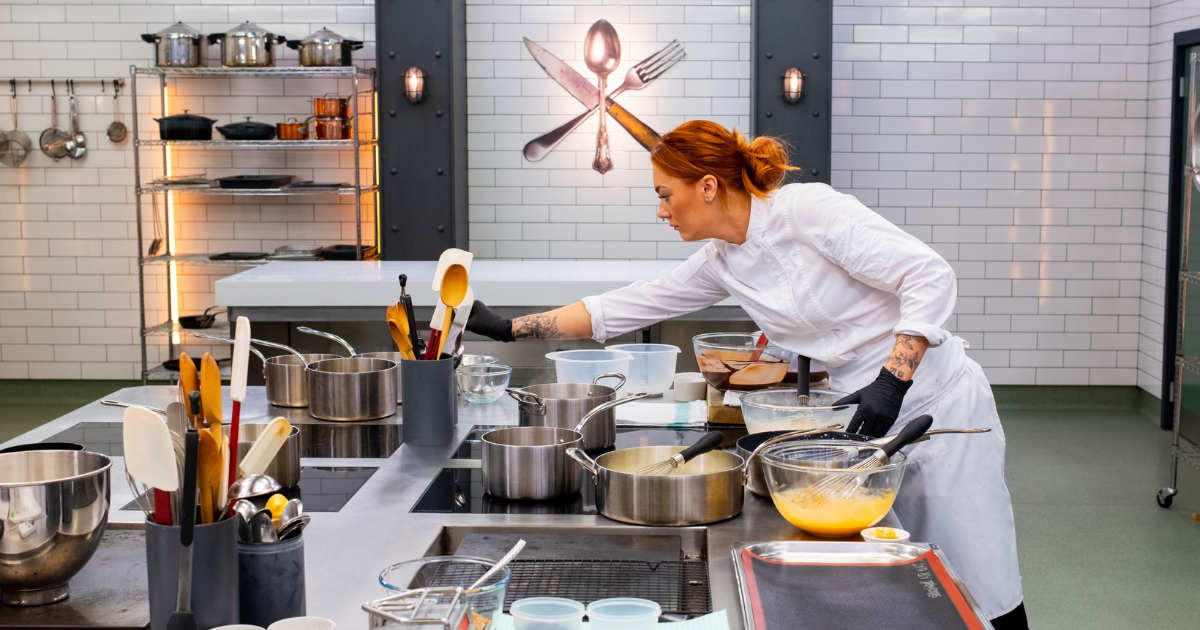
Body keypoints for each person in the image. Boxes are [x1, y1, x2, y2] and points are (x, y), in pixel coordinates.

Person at [466, 120, 1028, 629]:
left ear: (708, 186)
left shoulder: (808, 212)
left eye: (665, 194)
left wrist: (894, 378)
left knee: (977, 573)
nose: (661, 211)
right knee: (904, 578)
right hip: (863, 419)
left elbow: (928, 274)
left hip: (936, 404)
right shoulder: (723, 261)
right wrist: (509, 328)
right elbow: (628, 304)